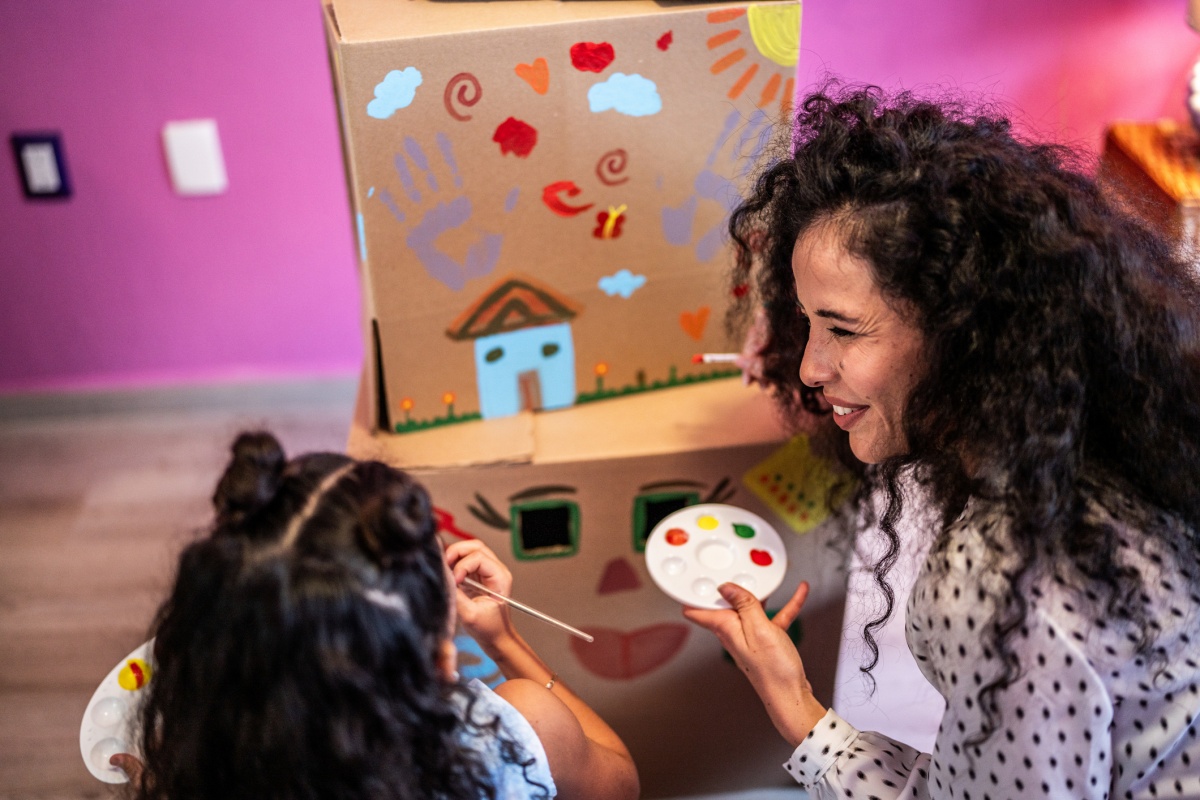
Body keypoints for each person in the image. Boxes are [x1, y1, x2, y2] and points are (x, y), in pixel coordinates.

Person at [686, 81, 1200, 800]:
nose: (809, 368)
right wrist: (797, 701)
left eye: (844, 329)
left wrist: (805, 724)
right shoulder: (1118, 442)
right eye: (807, 324)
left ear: (961, 334)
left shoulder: (1003, 579)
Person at [112, 431, 639, 800]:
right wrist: (507, 642)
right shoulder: (511, 735)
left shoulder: (212, 751)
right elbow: (620, 783)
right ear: (441, 661)